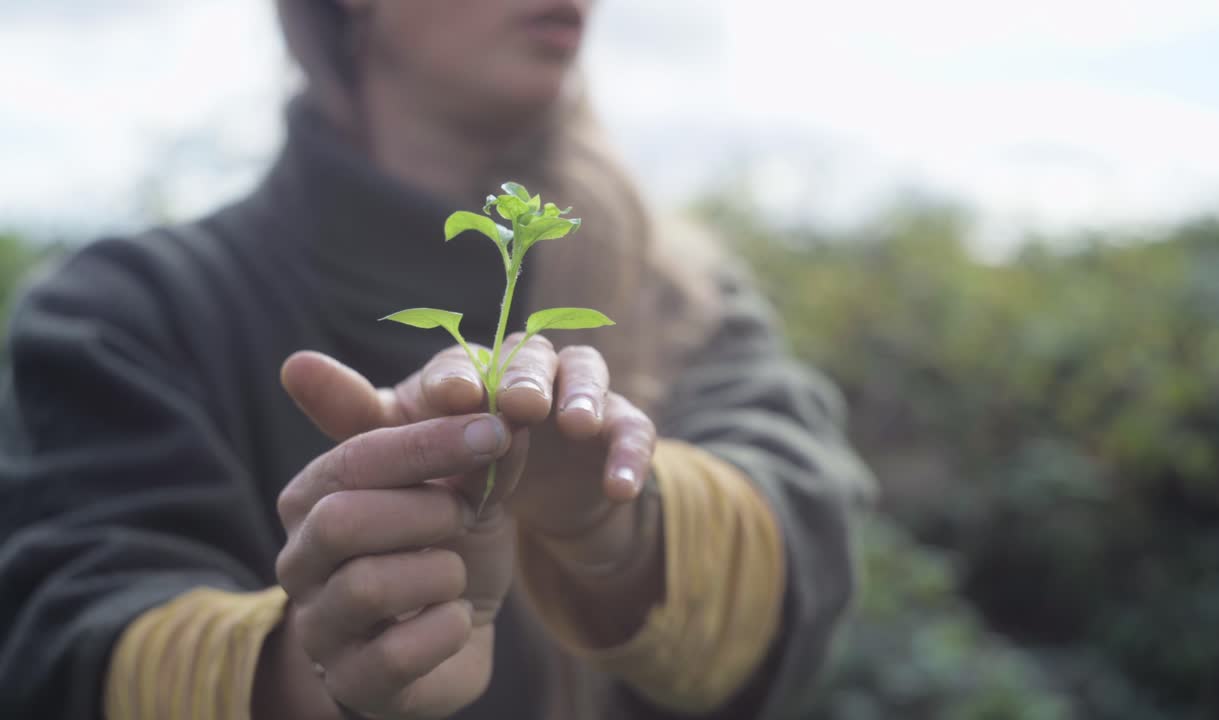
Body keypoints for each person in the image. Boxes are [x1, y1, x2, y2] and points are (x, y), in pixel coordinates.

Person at [0, 1, 871, 718]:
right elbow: (57, 648)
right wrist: (322, 668)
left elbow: (808, 535)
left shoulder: (685, 292)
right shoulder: (128, 313)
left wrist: (609, 518)